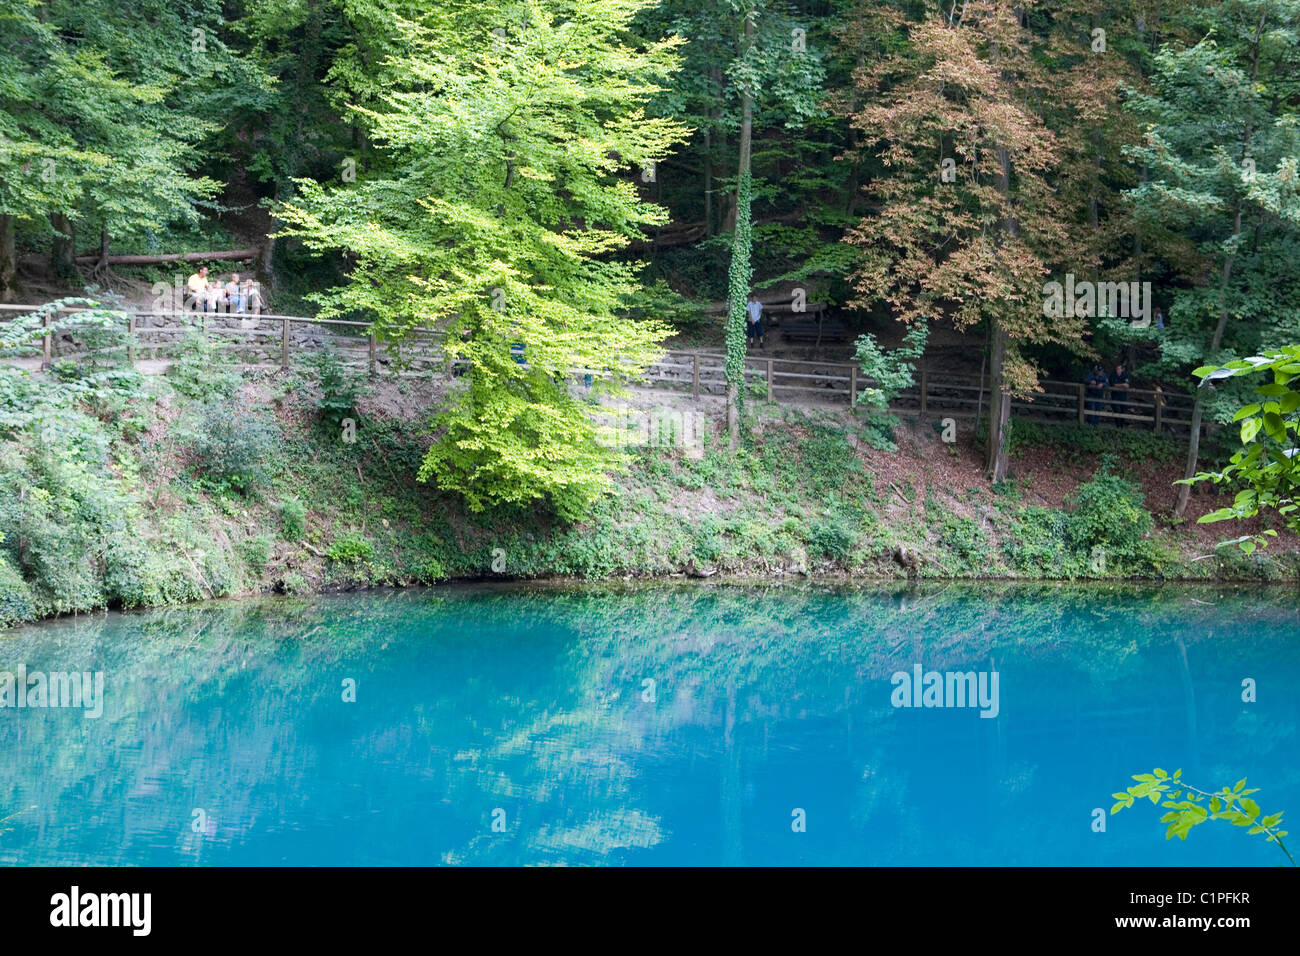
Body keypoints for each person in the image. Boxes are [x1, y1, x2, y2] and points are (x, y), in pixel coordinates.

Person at [1110, 361, 1132, 427]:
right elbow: (1113, 384)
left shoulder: (1125, 375)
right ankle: (1118, 426)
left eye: (1119, 369)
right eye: (1117, 369)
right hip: (1115, 396)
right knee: (1117, 411)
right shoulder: (1113, 374)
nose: (1117, 370)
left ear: (1122, 369)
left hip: (1123, 396)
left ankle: (1121, 426)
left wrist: (1119, 385)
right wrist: (1122, 384)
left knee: (1123, 411)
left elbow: (1127, 385)